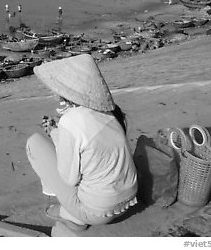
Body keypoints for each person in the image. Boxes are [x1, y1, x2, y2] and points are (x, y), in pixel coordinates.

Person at [26, 54, 137, 235]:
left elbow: (69, 178)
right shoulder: (109, 114)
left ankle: (70, 213)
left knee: (34, 143)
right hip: (128, 200)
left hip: (97, 212)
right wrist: (57, 133)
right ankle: (73, 210)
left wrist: (58, 133)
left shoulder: (71, 120)